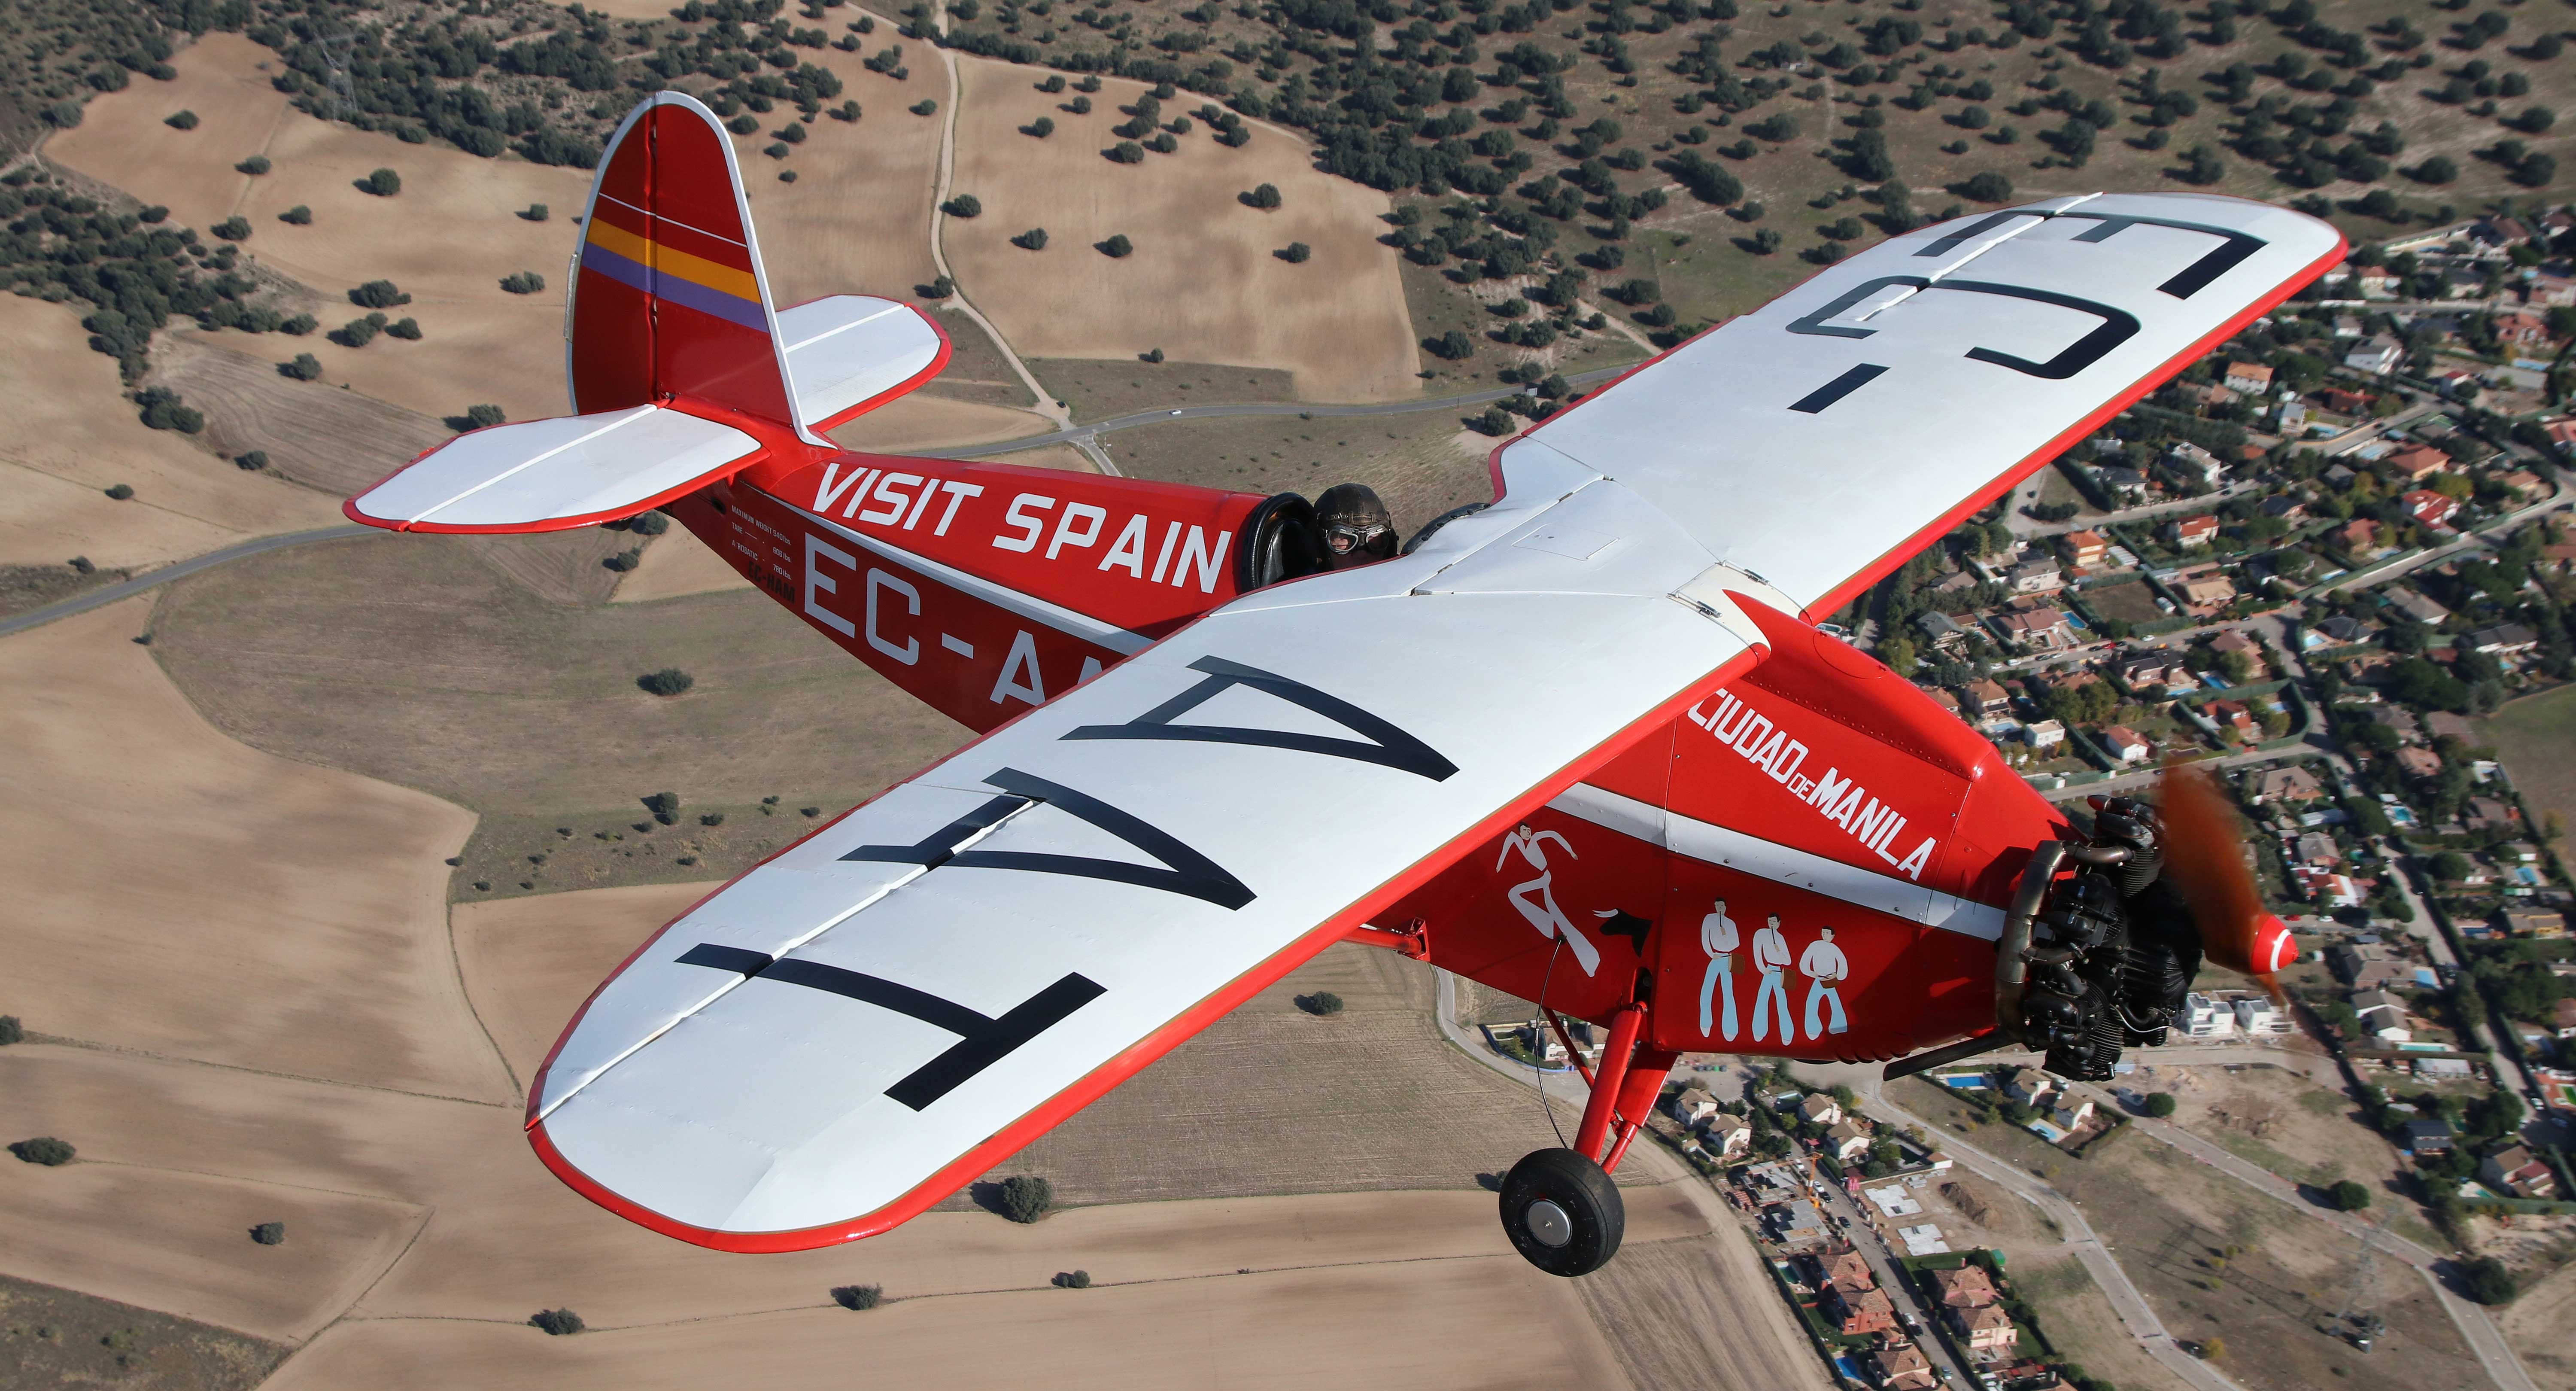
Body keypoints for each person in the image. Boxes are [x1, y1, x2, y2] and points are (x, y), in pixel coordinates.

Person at [1495, 824, 1599, 975]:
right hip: (1539, 877)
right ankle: (1585, 954)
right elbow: (1506, 846)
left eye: (1529, 830)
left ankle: (1583, 954)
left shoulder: (1535, 837)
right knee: (1546, 906)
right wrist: (1499, 866)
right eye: (1525, 831)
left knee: (1525, 898)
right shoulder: (1516, 839)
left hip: (1544, 877)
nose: (1528, 833)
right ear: (1520, 832)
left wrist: (1571, 851)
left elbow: (1553, 834)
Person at [1313, 483, 1397, 569]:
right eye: (1344, 538)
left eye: (1373, 538)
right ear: (1320, 547)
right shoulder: (1304, 582)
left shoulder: (1405, 578)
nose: (1362, 554)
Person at [1699, 899, 1739, 1041]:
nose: (1719, 908)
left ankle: (1730, 1028)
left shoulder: (1730, 923)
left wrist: (1725, 937)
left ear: (1725, 907)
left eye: (1721, 906)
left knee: (1728, 992)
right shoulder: (1709, 919)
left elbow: (1736, 943)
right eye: (1717, 906)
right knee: (1707, 991)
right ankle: (1705, 1024)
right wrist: (1712, 954)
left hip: (1726, 958)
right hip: (1715, 957)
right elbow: (1705, 939)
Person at [1800, 925, 1850, 1040]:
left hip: (1830, 979)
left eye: (1827, 933)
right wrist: (1810, 972)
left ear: (1833, 936)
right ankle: (1813, 1029)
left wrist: (1838, 976)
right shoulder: (1815, 945)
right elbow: (1805, 959)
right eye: (1823, 933)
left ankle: (1839, 1027)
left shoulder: (1834, 948)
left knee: (1835, 1003)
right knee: (1811, 1002)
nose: (1824, 935)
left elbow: (1842, 962)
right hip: (1818, 979)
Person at [1750, 913, 1793, 1042]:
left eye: (1774, 922)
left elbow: (1788, 961)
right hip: (1768, 971)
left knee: (1782, 1002)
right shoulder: (1761, 934)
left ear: (1779, 923)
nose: (1772, 924)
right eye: (1770, 921)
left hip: (1778, 971)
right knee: (1762, 1000)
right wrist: (1763, 969)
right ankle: (1759, 1031)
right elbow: (1757, 953)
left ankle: (1787, 1035)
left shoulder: (1780, 938)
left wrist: (1779, 951)